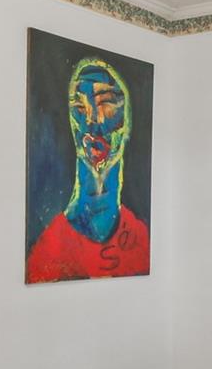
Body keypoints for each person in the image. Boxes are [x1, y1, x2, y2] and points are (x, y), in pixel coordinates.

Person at [26, 57, 150, 281]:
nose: (92, 122)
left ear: (129, 118)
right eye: (80, 108)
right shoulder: (48, 253)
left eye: (107, 104)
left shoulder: (141, 239)